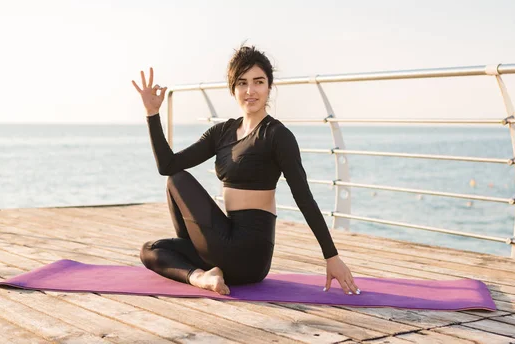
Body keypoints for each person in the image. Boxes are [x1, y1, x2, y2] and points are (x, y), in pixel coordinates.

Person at [132, 45, 360, 296]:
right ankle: (202, 277)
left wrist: (332, 256)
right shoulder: (222, 133)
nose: (250, 91)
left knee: (178, 180)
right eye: (242, 83)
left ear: (269, 87)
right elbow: (168, 165)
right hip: (223, 242)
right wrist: (152, 114)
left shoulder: (276, 135)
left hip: (250, 254)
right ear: (233, 89)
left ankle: (202, 268)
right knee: (150, 249)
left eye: (258, 82)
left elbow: (303, 197)